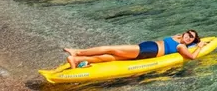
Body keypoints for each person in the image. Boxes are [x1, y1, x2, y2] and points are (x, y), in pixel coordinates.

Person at [62, 30, 206, 69]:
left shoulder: (181, 46)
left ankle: (78, 52)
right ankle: (76, 60)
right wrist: (196, 42)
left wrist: (198, 47)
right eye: (189, 34)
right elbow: (180, 37)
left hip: (148, 50)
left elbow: (192, 57)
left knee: (110, 49)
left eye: (192, 38)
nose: (188, 37)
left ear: (191, 41)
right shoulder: (178, 37)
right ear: (185, 33)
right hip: (147, 48)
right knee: (110, 57)